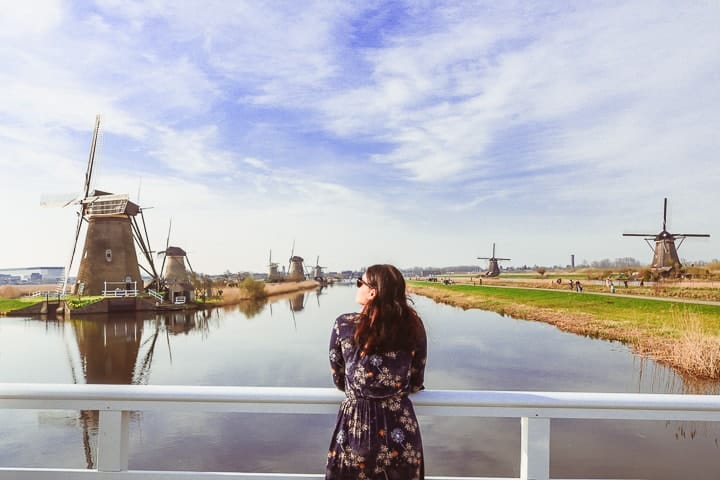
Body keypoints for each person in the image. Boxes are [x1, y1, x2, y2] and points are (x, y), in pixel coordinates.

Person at [326, 264, 427, 480]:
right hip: (400, 428)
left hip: (357, 428)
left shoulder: (343, 325)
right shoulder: (413, 326)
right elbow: (417, 380)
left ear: (373, 292)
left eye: (359, 282)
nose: (357, 286)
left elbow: (338, 378)